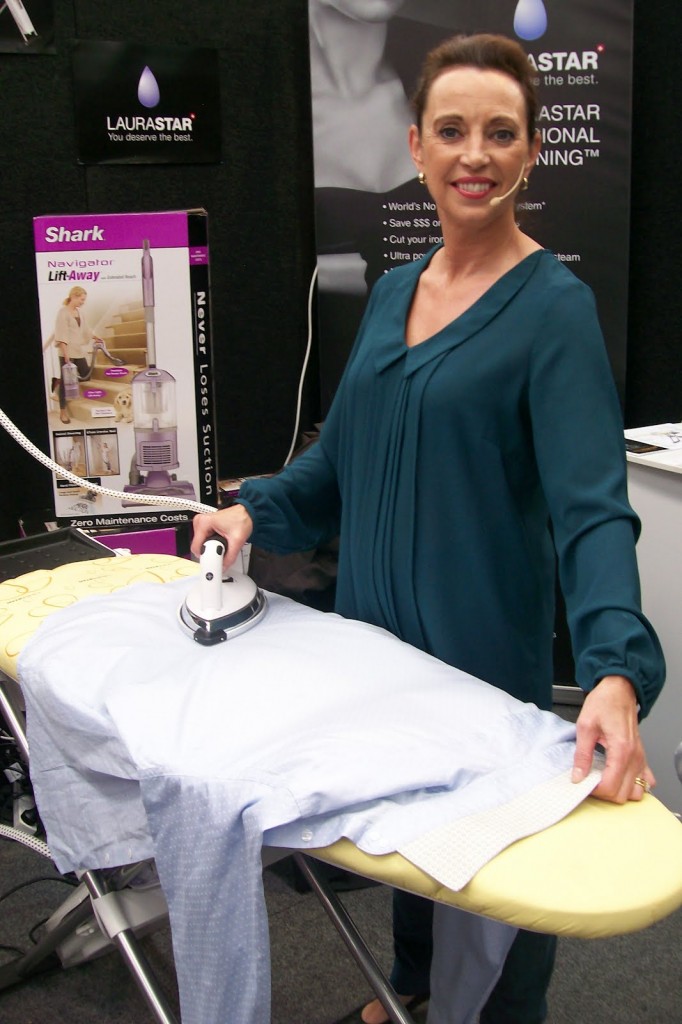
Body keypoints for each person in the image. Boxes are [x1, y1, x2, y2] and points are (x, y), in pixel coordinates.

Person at [192, 32, 664, 1024]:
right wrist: (253, 510)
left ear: (532, 152)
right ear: (417, 145)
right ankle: (403, 997)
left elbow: (590, 514)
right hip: (374, 662)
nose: (473, 153)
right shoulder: (396, 290)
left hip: (478, 675)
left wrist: (615, 669)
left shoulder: (553, 312)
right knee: (413, 870)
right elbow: (339, 467)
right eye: (451, 130)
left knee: (493, 904)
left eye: (499, 132)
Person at [51, 286, 100, 424]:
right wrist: (66, 355)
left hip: (78, 350)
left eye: (84, 300)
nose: (82, 302)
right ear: (73, 296)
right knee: (67, 380)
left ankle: (58, 385)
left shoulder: (80, 312)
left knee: (85, 375)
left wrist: (95, 337)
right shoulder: (63, 313)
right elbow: (61, 333)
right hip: (66, 352)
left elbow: (86, 329)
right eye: (81, 299)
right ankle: (63, 412)